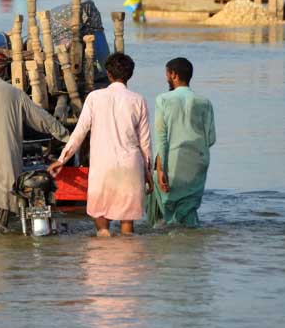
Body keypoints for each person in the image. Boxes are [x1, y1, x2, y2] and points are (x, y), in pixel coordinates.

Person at [0, 51, 70, 231]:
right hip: (4, 159)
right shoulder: (15, 93)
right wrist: (68, 137)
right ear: (5, 71)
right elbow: (43, 120)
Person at [49, 53, 152, 237]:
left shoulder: (95, 98)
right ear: (130, 74)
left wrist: (62, 159)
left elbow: (79, 132)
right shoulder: (138, 100)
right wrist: (148, 174)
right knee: (127, 224)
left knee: (101, 219)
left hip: (103, 167)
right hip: (130, 166)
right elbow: (145, 143)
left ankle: (102, 254)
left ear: (108, 73)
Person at [146, 58, 216, 228]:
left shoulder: (163, 100)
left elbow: (161, 138)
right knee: (189, 209)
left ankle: (172, 248)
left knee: (167, 210)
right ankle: (192, 249)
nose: (166, 78)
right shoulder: (205, 102)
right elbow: (211, 138)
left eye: (167, 74)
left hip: (173, 160)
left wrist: (161, 168)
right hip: (198, 161)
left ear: (174, 75)